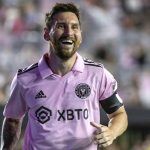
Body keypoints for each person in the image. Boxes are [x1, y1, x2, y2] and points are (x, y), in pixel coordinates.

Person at [0, 2, 128, 150]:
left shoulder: (98, 75)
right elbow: (12, 121)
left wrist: (111, 132)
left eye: (74, 27)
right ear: (46, 33)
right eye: (61, 26)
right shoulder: (24, 79)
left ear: (80, 35)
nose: (69, 32)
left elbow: (119, 114)